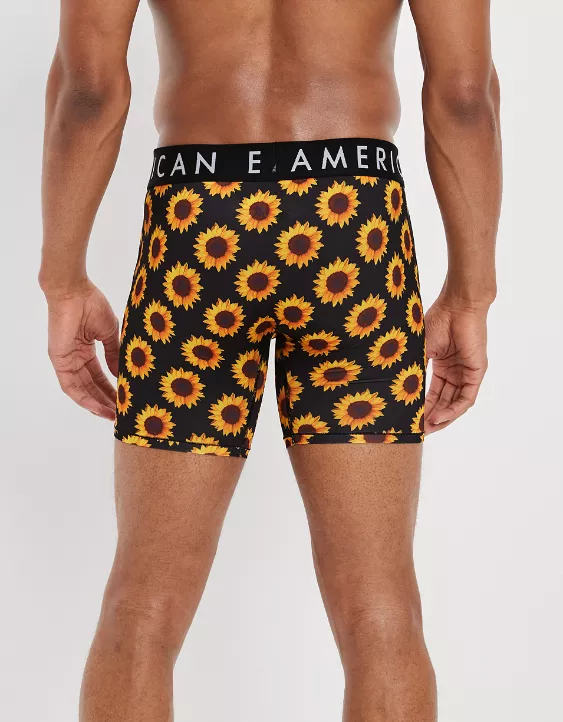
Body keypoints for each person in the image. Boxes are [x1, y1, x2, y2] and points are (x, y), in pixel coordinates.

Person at [40, 0, 501, 719]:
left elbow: (89, 90)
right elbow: (465, 97)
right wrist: (471, 293)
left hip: (197, 227)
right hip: (352, 227)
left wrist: (62, 279)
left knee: (143, 605)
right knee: (380, 609)